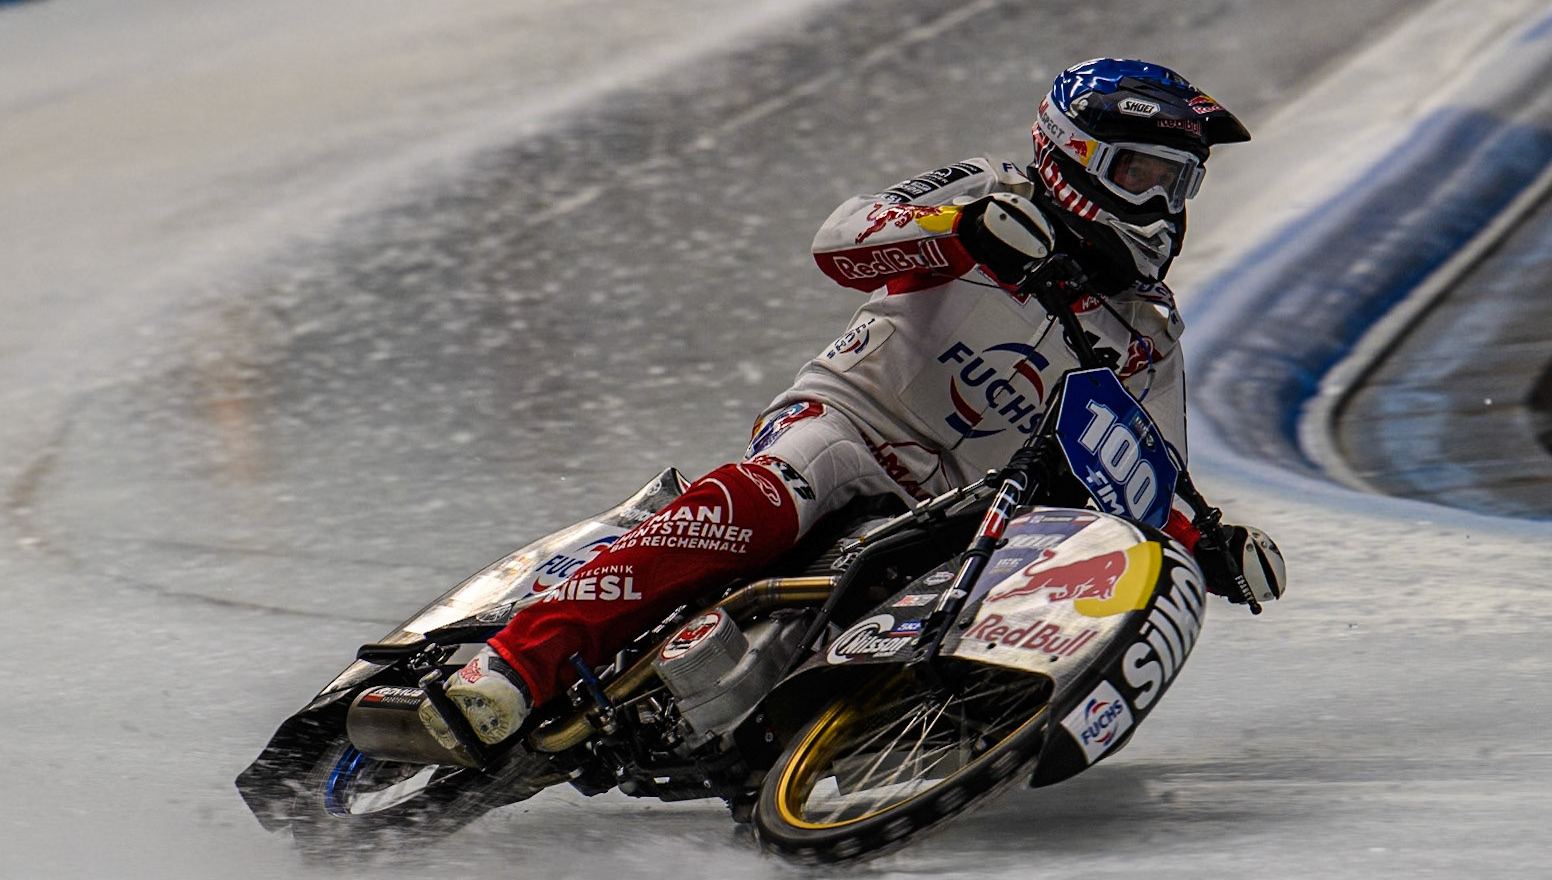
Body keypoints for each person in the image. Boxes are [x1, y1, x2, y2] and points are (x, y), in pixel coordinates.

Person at [420, 57, 1287, 750]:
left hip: (965, 512)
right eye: (1146, 175)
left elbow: (1144, 467)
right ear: (1076, 156)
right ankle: (512, 666)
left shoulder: (1148, 332)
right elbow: (842, 237)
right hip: (849, 426)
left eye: (1181, 186)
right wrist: (958, 231)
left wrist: (1210, 540)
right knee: (775, 492)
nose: (1164, 207)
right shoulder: (991, 189)